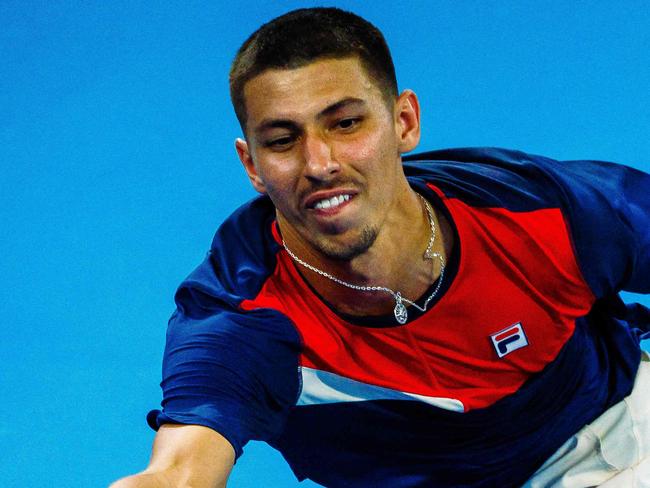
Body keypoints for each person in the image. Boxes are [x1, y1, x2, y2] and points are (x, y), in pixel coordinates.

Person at [111, 7, 650, 488]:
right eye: (282, 140)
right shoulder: (243, 313)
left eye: (346, 124)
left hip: (614, 434)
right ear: (251, 164)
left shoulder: (539, 210)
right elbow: (182, 467)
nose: (319, 163)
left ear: (403, 122)